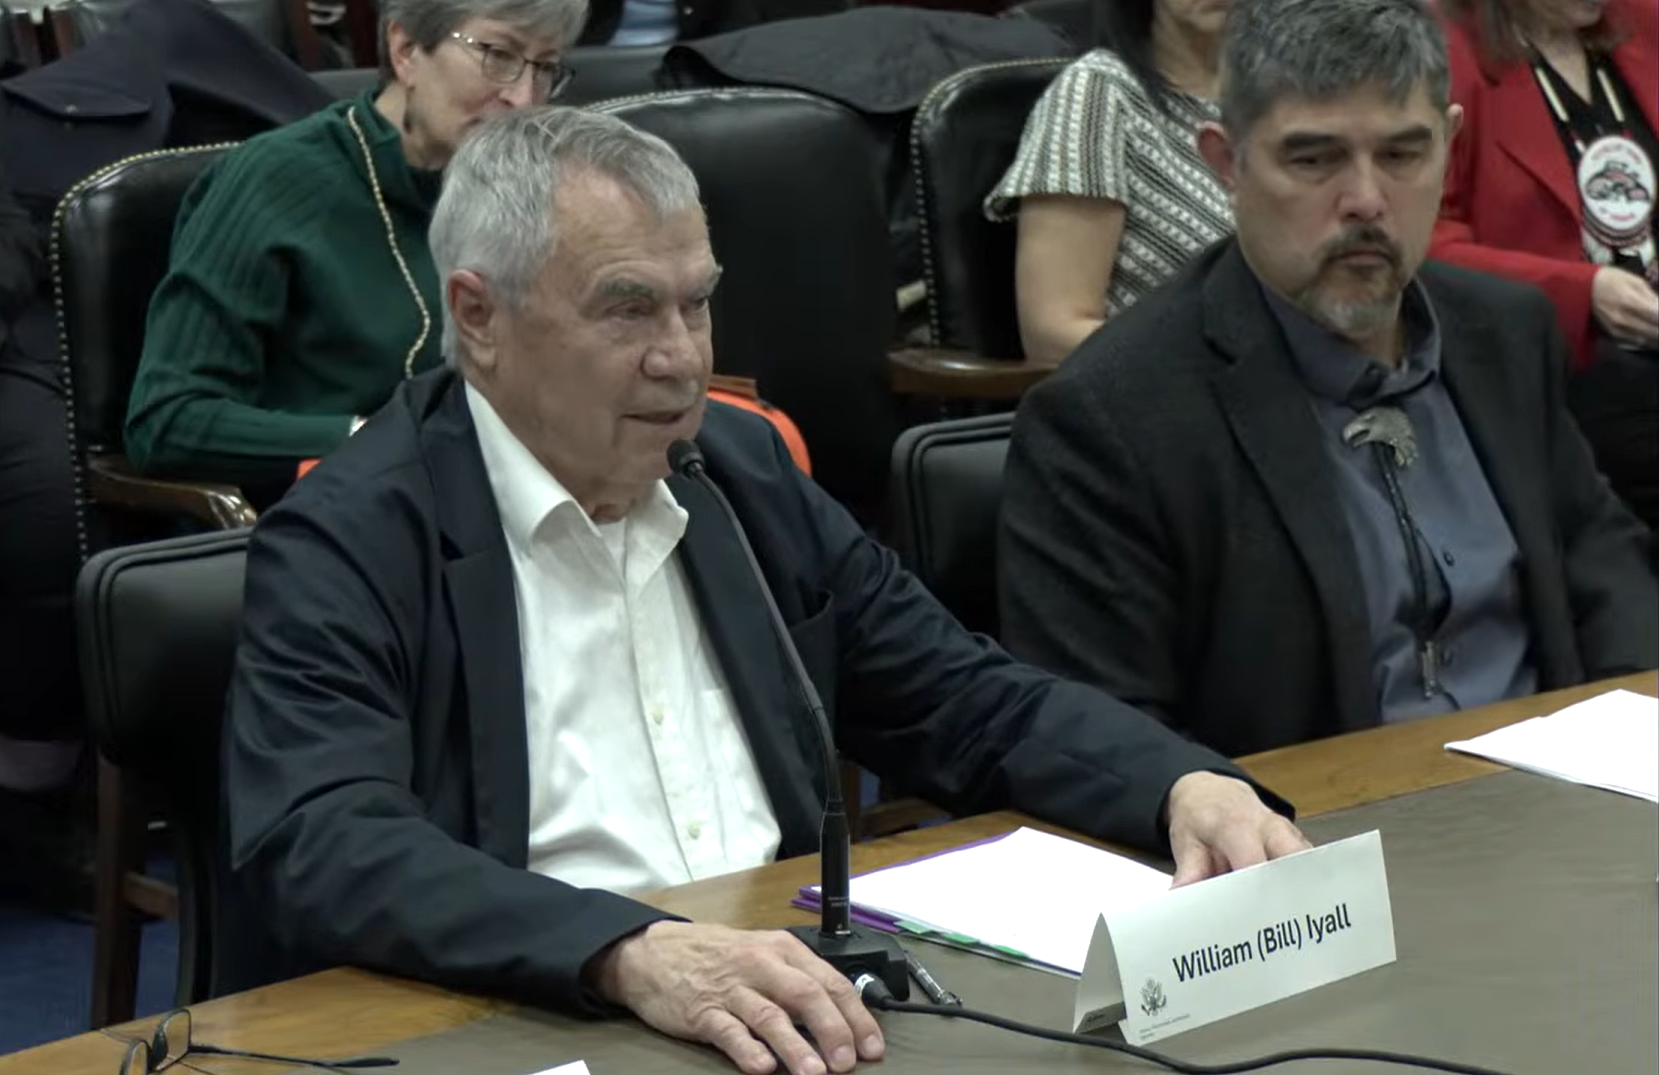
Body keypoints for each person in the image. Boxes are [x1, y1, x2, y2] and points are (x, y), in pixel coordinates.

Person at [223, 106, 1308, 1075]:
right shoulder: (353, 535)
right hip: (534, 1015)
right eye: (627, 310)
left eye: (697, 306)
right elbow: (325, 840)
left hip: (788, 1001)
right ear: (479, 316)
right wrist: (622, 950)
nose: (682, 360)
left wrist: (1180, 787)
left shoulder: (739, 475)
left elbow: (967, 701)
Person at [997, 0, 1659, 759]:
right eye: (1313, 160)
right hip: (1315, 839)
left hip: (1560, 804)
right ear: (1226, 162)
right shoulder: (1110, 414)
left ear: (1449, 142)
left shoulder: (1505, 334)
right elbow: (1105, 738)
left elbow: (1609, 577)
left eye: (1403, 155)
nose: (1366, 201)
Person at [125, 0, 585, 502]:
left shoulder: (531, 185)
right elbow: (168, 421)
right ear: (406, 50)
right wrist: (374, 438)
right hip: (347, 516)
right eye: (498, 54)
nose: (522, 97)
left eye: (544, 69)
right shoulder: (274, 182)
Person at [1431, 0, 1658, 537]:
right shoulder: (1448, 55)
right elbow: (1423, 240)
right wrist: (1583, 293)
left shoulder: (1642, 20)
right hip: (1564, 374)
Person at [985, 0, 1233, 366]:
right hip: (1167, 395)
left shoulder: (1289, 92)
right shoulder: (1096, 95)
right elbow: (1052, 335)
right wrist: (1232, 359)